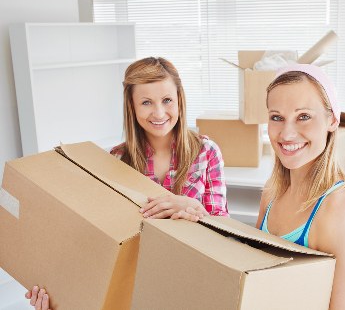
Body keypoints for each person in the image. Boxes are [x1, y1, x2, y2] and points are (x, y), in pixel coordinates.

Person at [25, 57, 229, 309]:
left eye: (167, 100)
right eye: (146, 102)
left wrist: (196, 210)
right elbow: (100, 240)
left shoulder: (206, 152)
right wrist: (60, 294)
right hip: (136, 287)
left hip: (193, 282)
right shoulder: (116, 160)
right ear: (131, 107)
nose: (158, 113)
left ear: (179, 100)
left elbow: (226, 233)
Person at [256, 64, 345, 310]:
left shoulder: (341, 208)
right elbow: (254, 273)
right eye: (277, 117)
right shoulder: (272, 191)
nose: (287, 133)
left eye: (303, 116)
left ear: (332, 120)